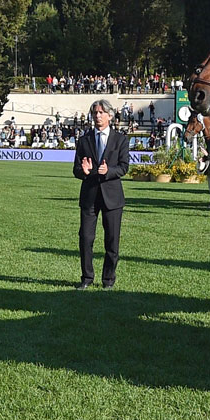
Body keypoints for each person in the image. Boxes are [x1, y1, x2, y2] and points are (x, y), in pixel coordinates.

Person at [73, 99, 130, 289]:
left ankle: (108, 280)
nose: (97, 116)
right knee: (86, 239)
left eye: (101, 112)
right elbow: (76, 169)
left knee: (112, 240)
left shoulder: (120, 139)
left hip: (112, 198)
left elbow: (124, 167)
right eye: (95, 113)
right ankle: (86, 278)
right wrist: (84, 172)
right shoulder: (84, 140)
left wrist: (109, 171)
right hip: (89, 196)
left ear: (110, 115)